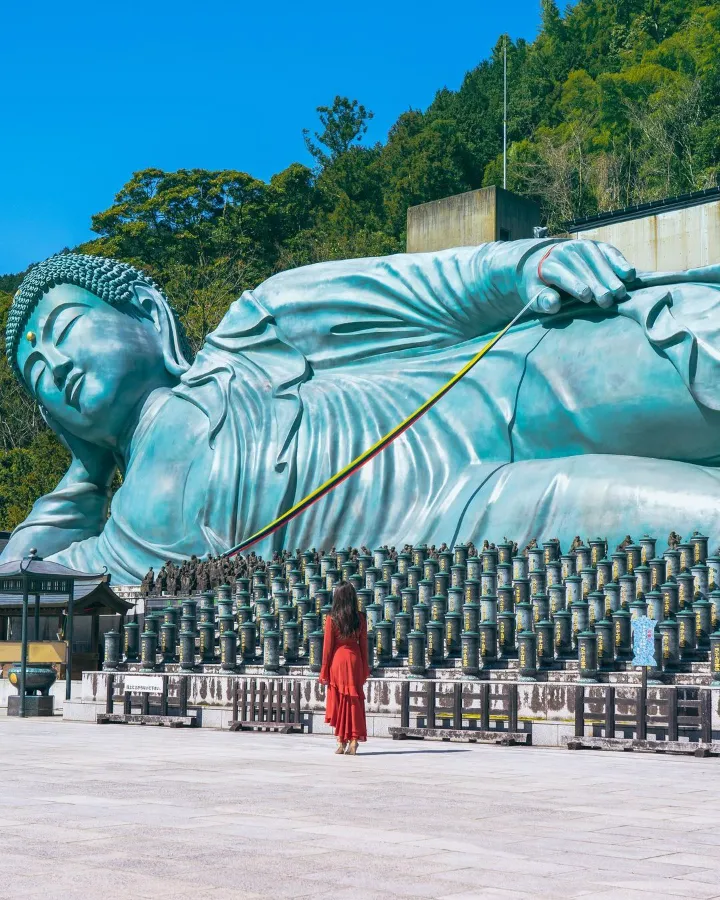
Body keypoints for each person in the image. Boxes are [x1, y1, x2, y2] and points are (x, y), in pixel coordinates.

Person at [5, 243, 720, 582]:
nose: (56, 367)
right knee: (699, 523)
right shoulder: (123, 546)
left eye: (66, 331)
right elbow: (20, 577)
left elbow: (421, 289)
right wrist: (86, 473)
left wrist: (527, 265)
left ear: (149, 317)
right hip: (461, 522)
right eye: (37, 376)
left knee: (686, 335)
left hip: (494, 388)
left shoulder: (257, 330)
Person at [319, 582, 370, 755]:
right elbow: (364, 645)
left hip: (338, 661)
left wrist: (324, 669)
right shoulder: (361, 618)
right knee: (354, 701)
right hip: (355, 660)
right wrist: (365, 667)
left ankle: (341, 742)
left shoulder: (332, 618)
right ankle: (354, 740)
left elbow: (327, 648)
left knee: (339, 701)